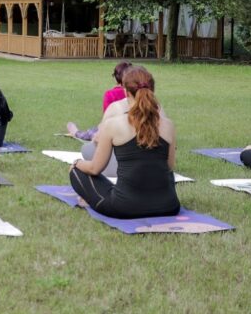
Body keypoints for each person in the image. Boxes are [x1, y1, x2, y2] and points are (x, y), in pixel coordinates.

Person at [68, 65, 180, 219]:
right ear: (152, 91)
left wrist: (77, 163)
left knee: (76, 171)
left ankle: (89, 197)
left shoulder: (113, 125)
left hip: (125, 207)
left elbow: (94, 169)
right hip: (169, 206)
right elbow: (169, 167)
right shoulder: (168, 125)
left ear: (126, 92)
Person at [66, 61, 131, 141]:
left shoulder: (110, 94)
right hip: (131, 130)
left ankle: (76, 132)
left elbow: (107, 120)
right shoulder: (137, 93)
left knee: (92, 133)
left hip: (115, 131)